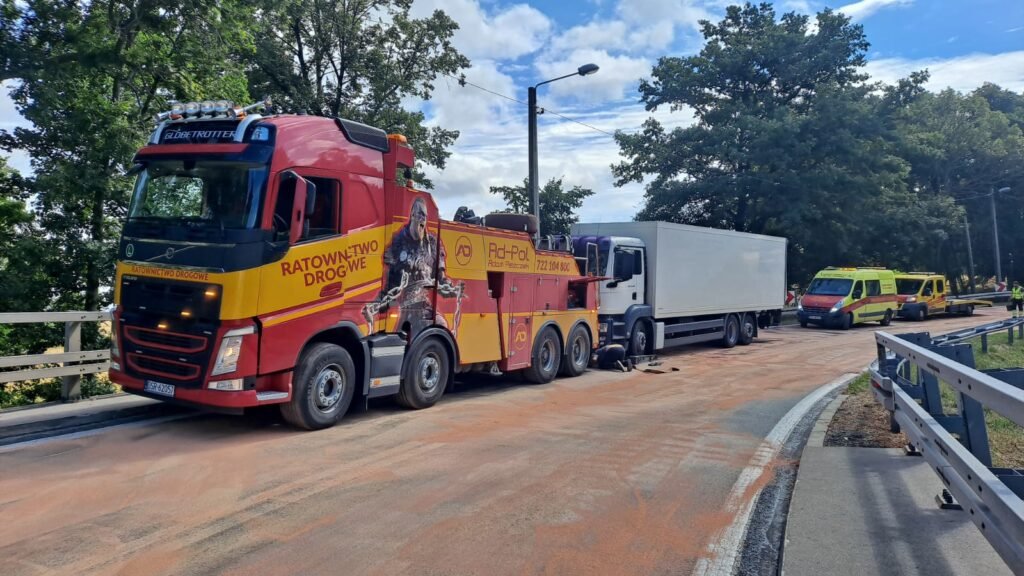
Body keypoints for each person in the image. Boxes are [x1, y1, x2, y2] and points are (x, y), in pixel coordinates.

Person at [363, 197, 464, 339]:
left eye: (425, 216)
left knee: (442, 328)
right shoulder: (398, 243)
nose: (423, 218)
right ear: (412, 215)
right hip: (406, 312)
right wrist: (374, 307)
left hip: (426, 309)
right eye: (420, 214)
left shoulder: (433, 245)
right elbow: (389, 287)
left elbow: (440, 280)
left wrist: (455, 290)